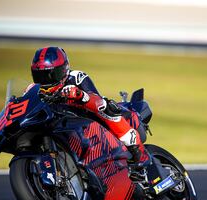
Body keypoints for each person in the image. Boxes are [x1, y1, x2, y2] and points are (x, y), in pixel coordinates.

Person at [30, 46, 151, 180]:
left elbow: (97, 100)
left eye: (53, 74)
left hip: (91, 116)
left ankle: (141, 157)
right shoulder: (34, 89)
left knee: (107, 110)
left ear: (64, 69)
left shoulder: (76, 77)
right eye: (40, 75)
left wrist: (80, 95)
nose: (47, 80)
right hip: (66, 126)